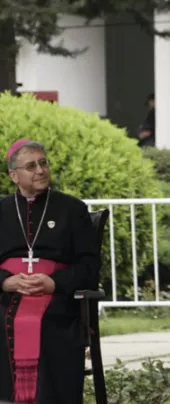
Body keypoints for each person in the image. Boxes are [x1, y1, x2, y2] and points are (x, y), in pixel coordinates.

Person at [0, 139, 100, 403]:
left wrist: (54, 284)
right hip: (7, 294)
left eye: (43, 163)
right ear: (14, 175)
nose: (41, 170)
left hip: (56, 297)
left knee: (47, 323)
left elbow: (89, 266)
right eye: (31, 166)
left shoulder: (72, 209)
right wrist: (5, 283)